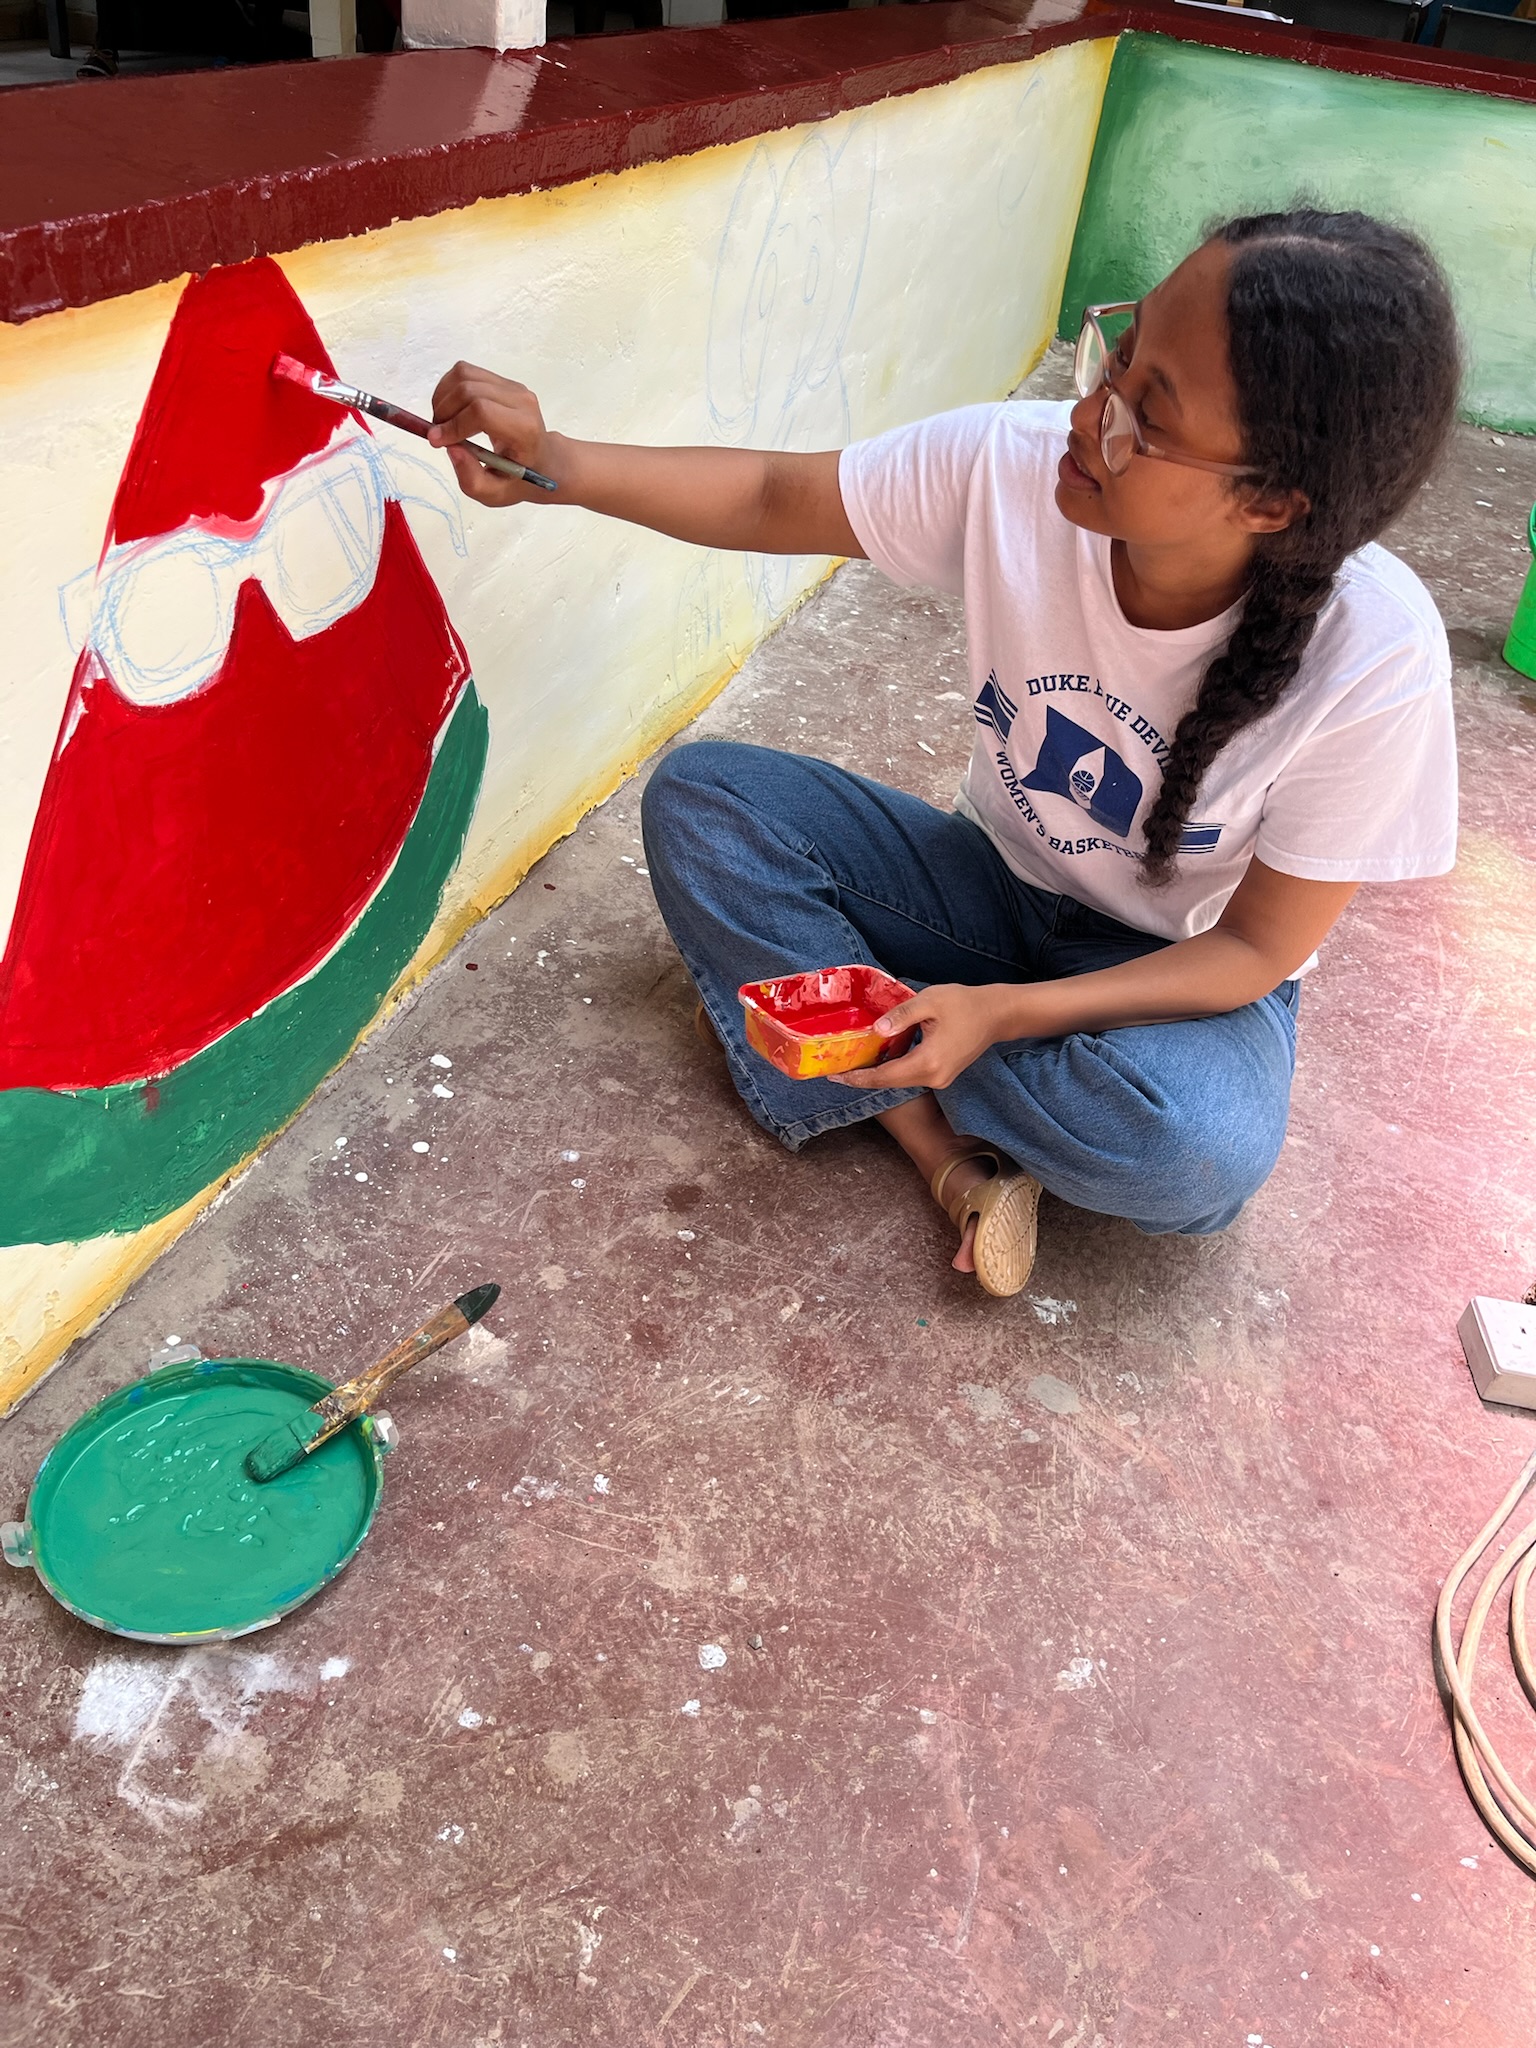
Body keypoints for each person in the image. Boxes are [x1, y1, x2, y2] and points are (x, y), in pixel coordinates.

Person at [427, 209, 1461, 1297]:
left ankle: (819, 1029)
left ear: (1271, 500)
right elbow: (777, 494)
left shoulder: (1374, 655)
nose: (1086, 408)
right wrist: (561, 463)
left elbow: (1253, 953)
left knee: (1189, 1147)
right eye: (1120, 348)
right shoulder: (1011, 467)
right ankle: (945, 1151)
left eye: (1144, 416)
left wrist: (1003, 1011)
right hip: (994, 890)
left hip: (1178, 981)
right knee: (706, 801)